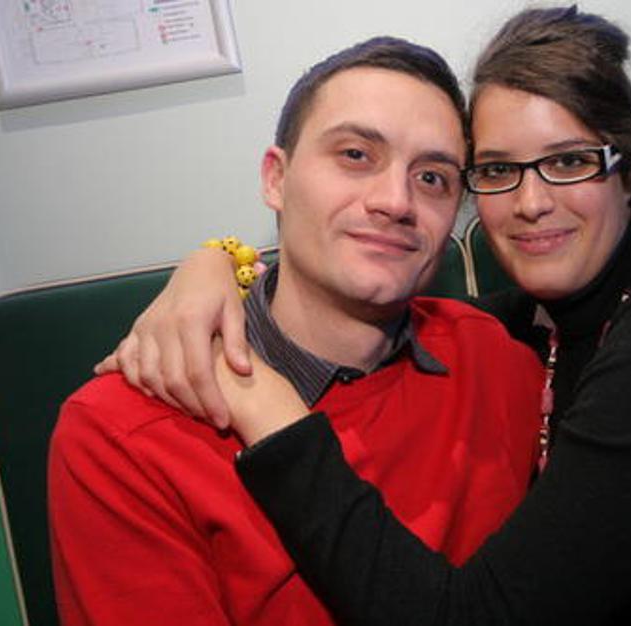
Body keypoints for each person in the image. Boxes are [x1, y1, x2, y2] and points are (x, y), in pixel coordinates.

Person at [106, 6, 631, 625]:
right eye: (496, 170)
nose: (530, 202)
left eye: (568, 161)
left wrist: (272, 414)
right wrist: (213, 269)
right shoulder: (526, 324)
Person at [48, 37, 548, 626]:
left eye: (433, 178)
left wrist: (213, 260)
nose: (396, 201)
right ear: (276, 179)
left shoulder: (495, 359)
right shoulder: (124, 435)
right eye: (355, 155)